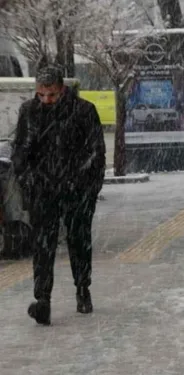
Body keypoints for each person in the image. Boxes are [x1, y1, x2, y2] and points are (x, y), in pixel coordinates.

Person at [11, 66, 106, 325]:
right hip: (42, 189)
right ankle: (43, 299)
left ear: (62, 90)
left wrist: (86, 186)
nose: (46, 100)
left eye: (51, 95)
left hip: (76, 189)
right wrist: (27, 179)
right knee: (43, 246)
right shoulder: (29, 112)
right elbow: (19, 150)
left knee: (79, 240)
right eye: (41, 94)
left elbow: (96, 151)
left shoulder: (83, 111)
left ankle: (82, 289)